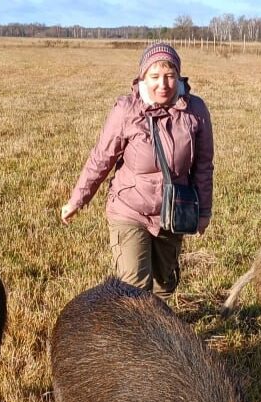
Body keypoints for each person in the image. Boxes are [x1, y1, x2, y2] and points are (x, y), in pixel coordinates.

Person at [61, 42, 213, 298]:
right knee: (135, 290)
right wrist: (77, 200)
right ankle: (135, 336)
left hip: (173, 211)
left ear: (179, 76)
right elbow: (101, 158)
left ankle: (160, 332)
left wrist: (204, 211)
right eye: (154, 77)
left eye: (170, 76)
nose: (163, 84)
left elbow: (203, 166)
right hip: (129, 209)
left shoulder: (195, 110)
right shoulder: (126, 110)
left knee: (164, 287)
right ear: (143, 77)